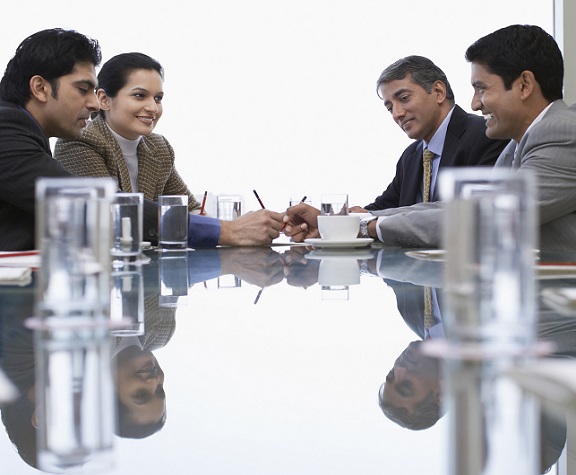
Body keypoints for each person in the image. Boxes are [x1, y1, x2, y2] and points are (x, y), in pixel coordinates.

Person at [285, 25, 576, 252]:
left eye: (482, 89)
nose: (475, 104)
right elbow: (453, 209)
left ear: (524, 85)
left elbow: (481, 219)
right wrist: (352, 224)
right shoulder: (517, 145)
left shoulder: (562, 134)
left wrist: (366, 227)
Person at [0, 29, 283, 251]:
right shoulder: (7, 126)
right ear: (39, 88)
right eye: (83, 89)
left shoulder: (25, 130)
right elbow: (96, 207)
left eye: (158, 98)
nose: (93, 104)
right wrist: (227, 231)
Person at [350, 55, 507, 212]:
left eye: (404, 98)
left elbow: (468, 213)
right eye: (390, 108)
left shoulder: (486, 135)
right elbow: (381, 209)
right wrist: (343, 218)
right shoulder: (410, 155)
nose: (397, 114)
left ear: (438, 92)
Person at [54, 52, 201, 213]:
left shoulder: (159, 147)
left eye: (158, 98)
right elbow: (114, 212)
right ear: (103, 100)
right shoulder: (80, 140)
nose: (153, 108)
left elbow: (191, 209)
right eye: (139, 96)